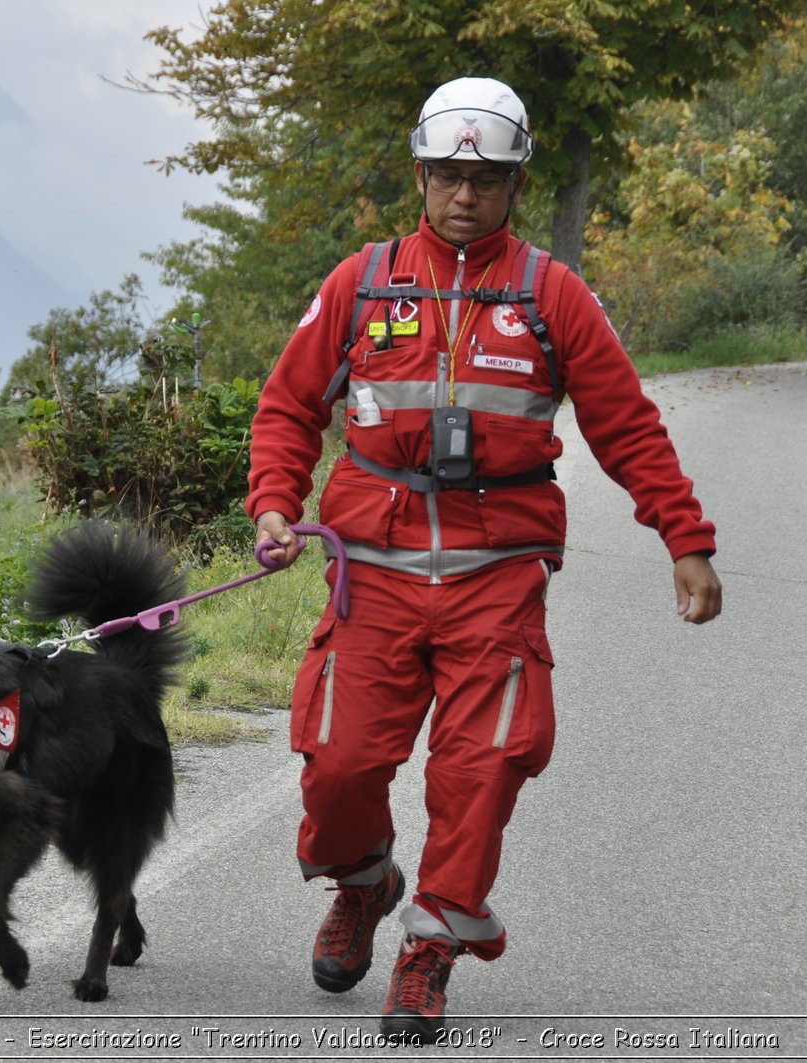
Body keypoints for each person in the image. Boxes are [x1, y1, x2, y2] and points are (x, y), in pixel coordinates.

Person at [246, 76, 723, 1043]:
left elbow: (627, 425)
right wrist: (272, 506)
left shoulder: (554, 295)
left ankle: (428, 951)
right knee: (337, 767)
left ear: (516, 184)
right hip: (370, 574)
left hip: (493, 579)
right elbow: (289, 408)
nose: (465, 193)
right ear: (420, 177)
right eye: (448, 175)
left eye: (487, 178)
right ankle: (366, 881)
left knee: (482, 770)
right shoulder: (361, 282)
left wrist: (686, 539)